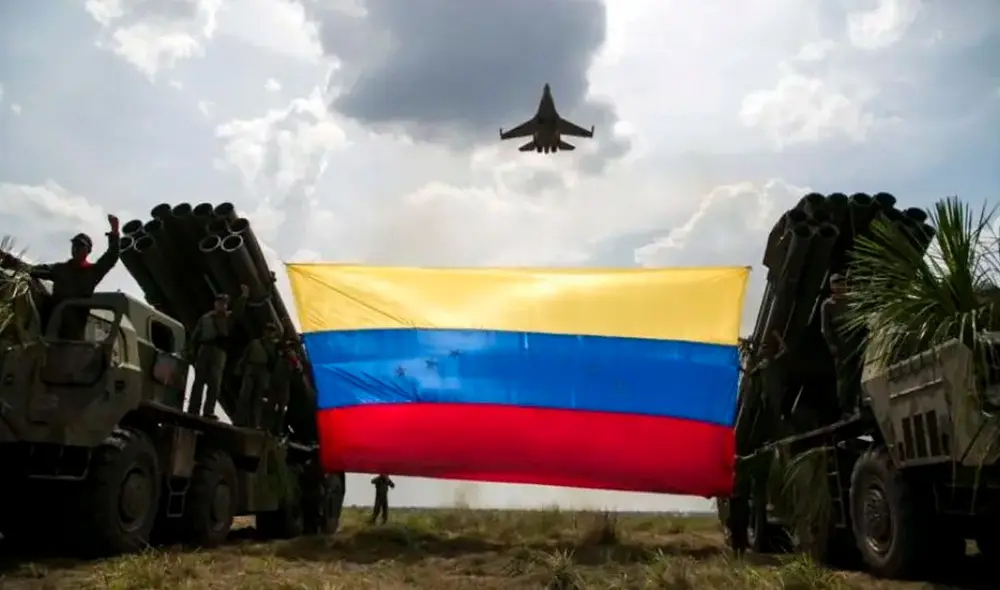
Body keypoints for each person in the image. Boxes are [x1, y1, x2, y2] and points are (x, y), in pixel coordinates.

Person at [0, 216, 120, 339]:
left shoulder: (92, 272)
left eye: (81, 246)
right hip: (53, 326)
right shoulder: (60, 269)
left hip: (74, 332)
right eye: (74, 245)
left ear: (88, 250)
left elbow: (111, 257)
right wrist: (8, 259)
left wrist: (115, 231)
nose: (76, 249)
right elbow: (32, 270)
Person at [186, 286, 248, 419]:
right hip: (204, 348)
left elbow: (238, 311)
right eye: (219, 302)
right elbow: (196, 334)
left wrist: (244, 296)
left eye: (224, 303)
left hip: (219, 351)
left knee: (215, 382)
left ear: (226, 305)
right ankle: (193, 409)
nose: (221, 305)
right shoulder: (205, 318)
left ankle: (209, 411)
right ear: (215, 303)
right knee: (199, 380)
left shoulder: (228, 317)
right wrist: (191, 349)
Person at [820, 273, 864, 418]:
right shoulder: (828, 305)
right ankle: (845, 408)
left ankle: (859, 403)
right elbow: (825, 328)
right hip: (841, 344)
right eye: (836, 283)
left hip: (855, 340)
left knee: (858, 373)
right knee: (844, 377)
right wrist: (831, 345)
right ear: (832, 286)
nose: (840, 286)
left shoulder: (851, 300)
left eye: (842, 283)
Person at [236, 321, 280, 427]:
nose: (270, 333)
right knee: (245, 396)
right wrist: (240, 369)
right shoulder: (255, 343)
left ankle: (254, 423)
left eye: (272, 331)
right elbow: (245, 356)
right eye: (268, 330)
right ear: (264, 331)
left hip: (263, 371)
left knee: (257, 399)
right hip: (251, 368)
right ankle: (239, 420)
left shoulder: (274, 346)